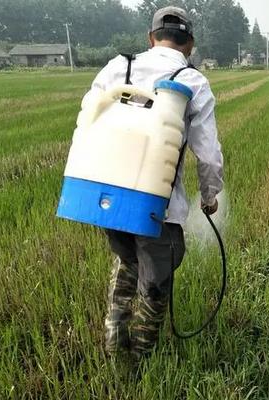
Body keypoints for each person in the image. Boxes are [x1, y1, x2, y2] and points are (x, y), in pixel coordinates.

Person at [79, 6, 224, 360]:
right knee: (157, 281)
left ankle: (115, 341)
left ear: (151, 38)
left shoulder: (118, 67)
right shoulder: (192, 81)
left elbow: (88, 120)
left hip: (108, 196)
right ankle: (139, 357)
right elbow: (208, 154)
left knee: (127, 260)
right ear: (189, 44)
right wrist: (209, 196)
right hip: (158, 205)